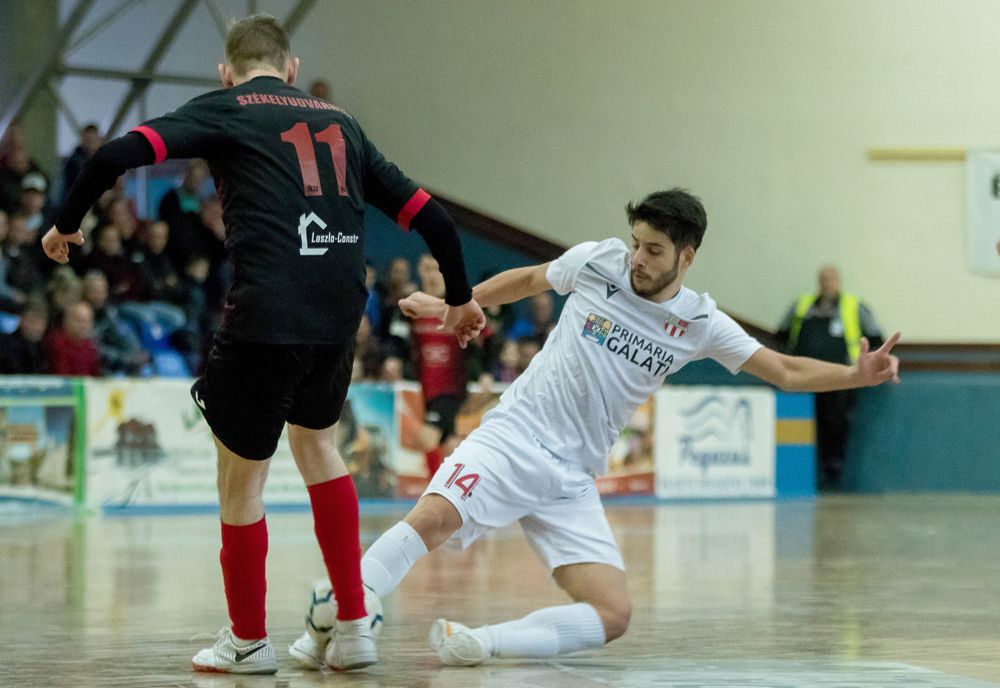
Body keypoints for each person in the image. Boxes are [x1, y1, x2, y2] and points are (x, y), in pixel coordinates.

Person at [289, 188, 901, 669]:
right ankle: (347, 610)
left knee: (613, 613)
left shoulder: (700, 322)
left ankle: (477, 642)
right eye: (637, 242)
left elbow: (787, 371)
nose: (638, 257)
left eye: (655, 250)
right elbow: (530, 281)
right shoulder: (598, 261)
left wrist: (856, 373)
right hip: (516, 436)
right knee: (432, 517)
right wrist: (460, 303)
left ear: (687, 257)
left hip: (572, 476)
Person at [42, 13, 484, 676]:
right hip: (341, 315)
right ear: (293, 68)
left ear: (227, 71)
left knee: (239, 483)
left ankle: (247, 643)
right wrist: (460, 298)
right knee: (320, 449)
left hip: (264, 314)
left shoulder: (226, 108)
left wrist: (65, 226)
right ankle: (355, 625)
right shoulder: (342, 124)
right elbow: (434, 218)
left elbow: (112, 156)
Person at [776, 266, 884, 490]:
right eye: (824, 279)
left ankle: (832, 469)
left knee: (835, 424)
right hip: (803, 377)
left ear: (840, 281)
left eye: (833, 278)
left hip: (840, 378)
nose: (829, 283)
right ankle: (799, 473)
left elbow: (875, 336)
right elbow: (782, 334)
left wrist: (864, 365)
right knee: (800, 425)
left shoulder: (854, 305)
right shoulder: (803, 305)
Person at [410, 253, 468, 475]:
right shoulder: (412, 308)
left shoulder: (456, 307)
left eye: (437, 268)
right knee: (450, 446)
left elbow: (483, 341)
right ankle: (455, 492)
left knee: (427, 437)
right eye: (427, 268)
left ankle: (433, 492)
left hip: (448, 390)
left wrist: (481, 372)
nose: (432, 274)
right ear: (420, 271)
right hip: (425, 392)